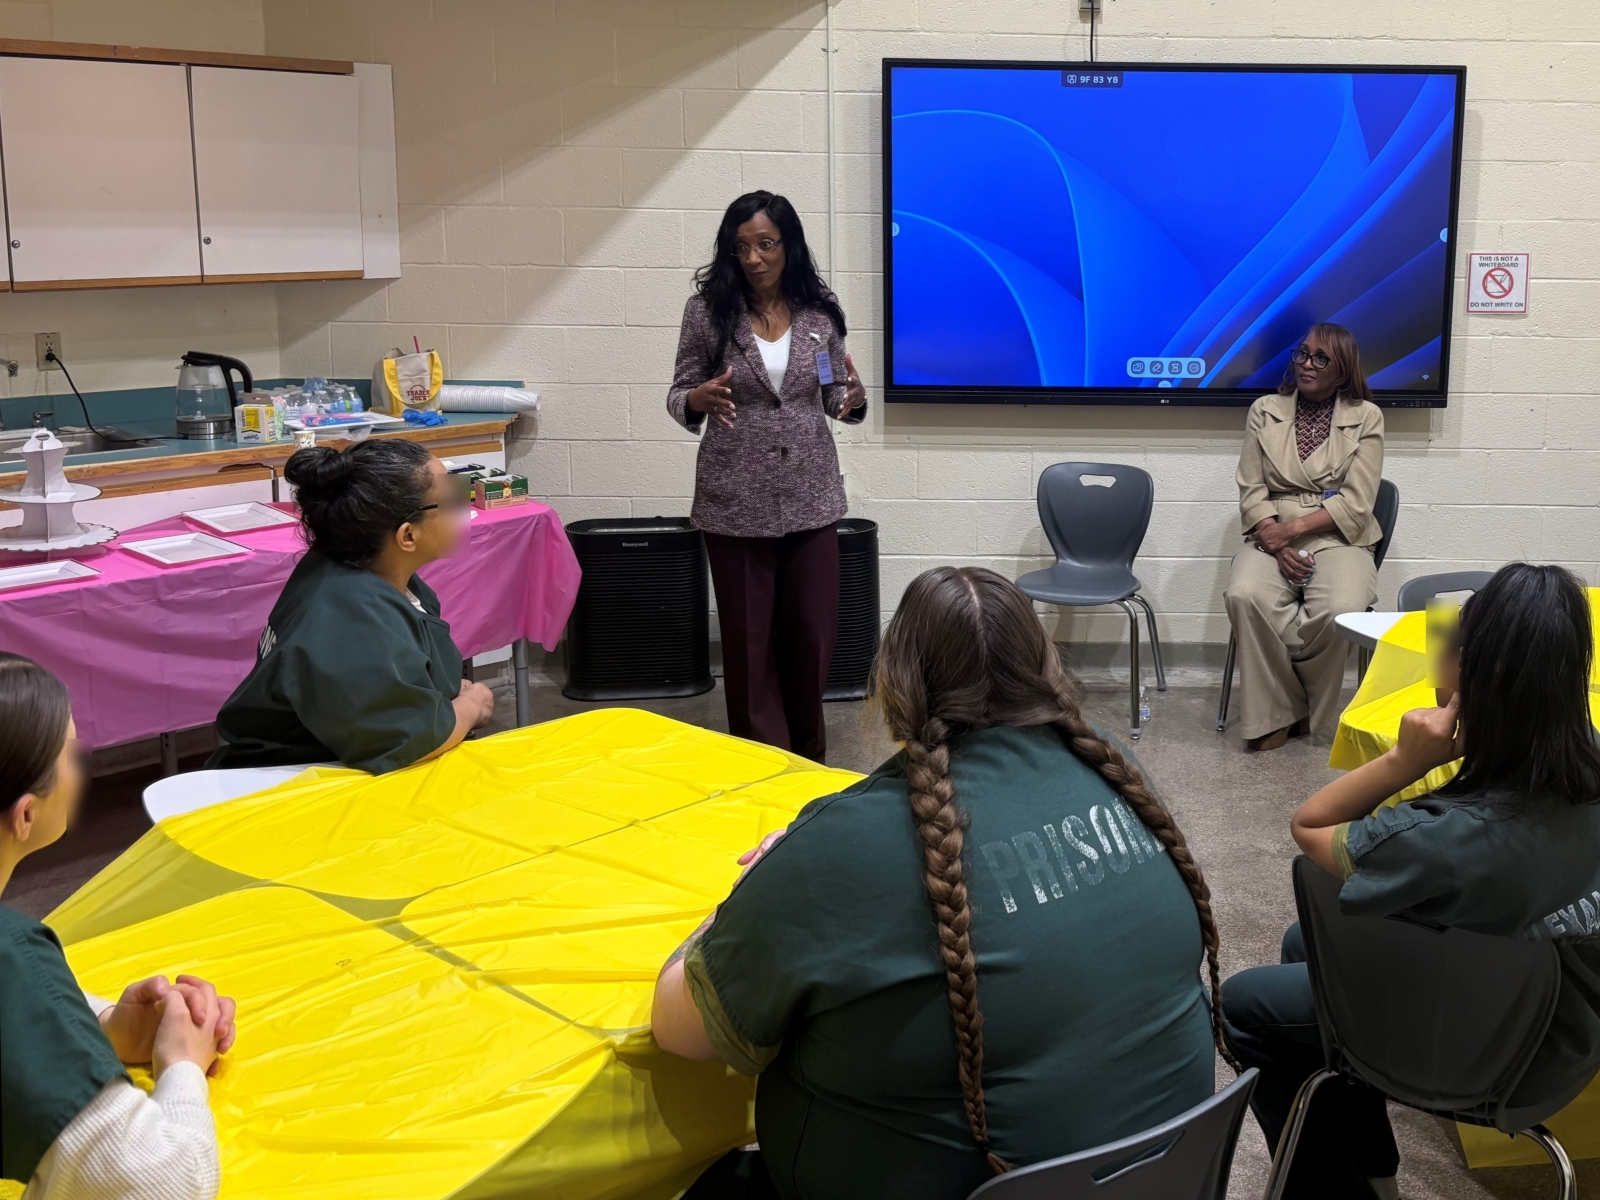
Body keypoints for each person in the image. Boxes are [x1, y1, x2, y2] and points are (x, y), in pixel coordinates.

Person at [651, 567, 1234, 1200]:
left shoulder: (849, 843)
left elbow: (678, 1029)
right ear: (1045, 665)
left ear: (894, 679)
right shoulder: (1118, 770)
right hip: (1168, 1177)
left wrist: (754, 896)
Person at [1223, 563, 1600, 1200]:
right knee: (1301, 945)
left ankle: (1350, 1187)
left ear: (1472, 676)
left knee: (1245, 1005)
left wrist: (1405, 761)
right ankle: (1375, 1167)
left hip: (1495, 1060)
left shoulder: (1444, 839)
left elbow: (1311, 827)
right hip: (1571, 1031)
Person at [1, 653, 237, 1198]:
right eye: (70, 755)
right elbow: (167, 1183)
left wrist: (100, 1027)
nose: (80, 768)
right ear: (26, 815)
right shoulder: (15, 960)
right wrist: (182, 1066)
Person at [667, 190, 868, 763]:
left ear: (789, 245)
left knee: (811, 636)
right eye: (741, 248)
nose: (753, 258)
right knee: (749, 645)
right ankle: (763, 765)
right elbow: (679, 389)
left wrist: (849, 400)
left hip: (811, 495)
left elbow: (831, 389)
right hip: (734, 498)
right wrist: (697, 399)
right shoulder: (708, 313)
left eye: (765, 244)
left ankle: (807, 762)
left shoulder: (818, 311)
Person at [208, 440, 495, 775]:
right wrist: (470, 707)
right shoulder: (352, 613)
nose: (465, 508)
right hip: (291, 780)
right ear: (407, 537)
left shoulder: (356, 568)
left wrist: (439, 696)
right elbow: (409, 740)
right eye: (451, 501)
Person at [1224, 323, 1385, 750]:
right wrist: (1271, 538)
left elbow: (1357, 501)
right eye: (1302, 354)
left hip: (1340, 535)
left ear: (1343, 369)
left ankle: (1301, 706)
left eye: (1320, 358)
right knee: (1243, 594)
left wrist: (1290, 532)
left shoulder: (1366, 416)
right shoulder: (1264, 409)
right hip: (1270, 529)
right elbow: (1251, 487)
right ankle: (1276, 713)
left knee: (1342, 609)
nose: (1306, 364)